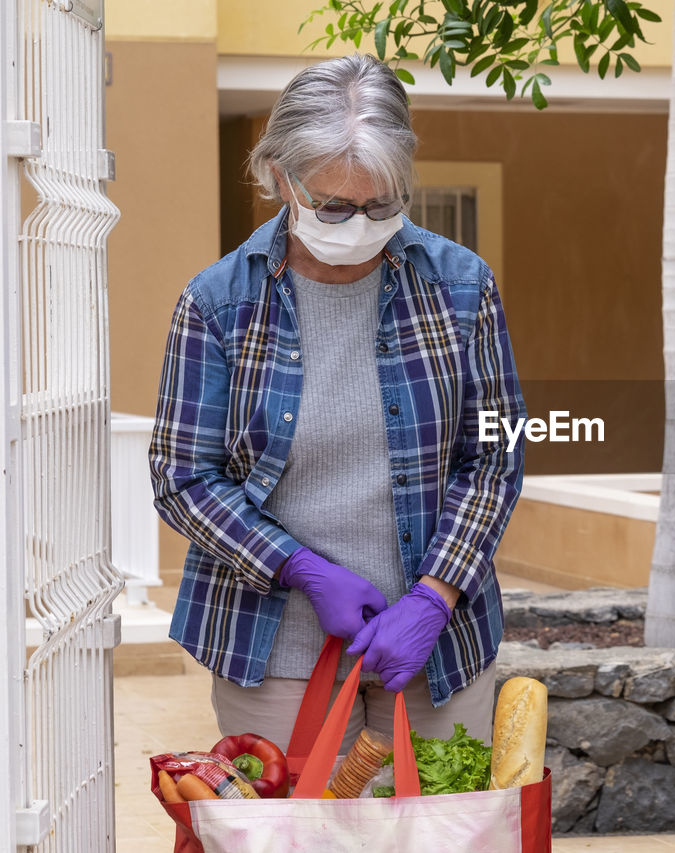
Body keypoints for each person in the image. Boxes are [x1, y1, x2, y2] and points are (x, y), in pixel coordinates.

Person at [148, 53, 525, 756]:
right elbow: (181, 476)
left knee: (438, 830)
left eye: (381, 204)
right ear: (282, 179)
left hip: (437, 645)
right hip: (275, 649)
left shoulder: (462, 287)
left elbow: (494, 455)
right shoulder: (219, 303)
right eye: (334, 205)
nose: (358, 224)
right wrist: (301, 567)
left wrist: (433, 596)